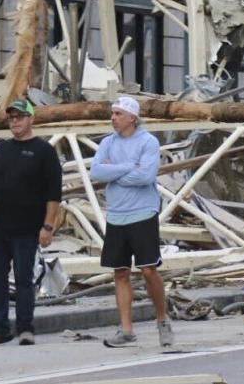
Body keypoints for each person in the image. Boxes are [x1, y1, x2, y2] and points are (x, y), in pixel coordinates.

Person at [0, 99, 62, 346]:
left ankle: (25, 328)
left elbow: (54, 193)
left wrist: (47, 226)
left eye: (20, 117)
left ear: (31, 119)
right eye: (11, 117)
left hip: (27, 230)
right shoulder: (1, 151)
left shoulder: (44, 151)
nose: (15, 121)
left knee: (24, 280)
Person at [90, 96, 174, 348]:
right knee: (120, 271)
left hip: (143, 212)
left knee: (148, 270)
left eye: (117, 114)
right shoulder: (107, 142)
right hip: (116, 214)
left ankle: (162, 320)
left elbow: (146, 176)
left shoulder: (148, 141)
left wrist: (114, 172)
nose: (113, 118)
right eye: (112, 113)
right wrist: (128, 167)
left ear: (131, 117)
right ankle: (126, 330)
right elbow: (96, 172)